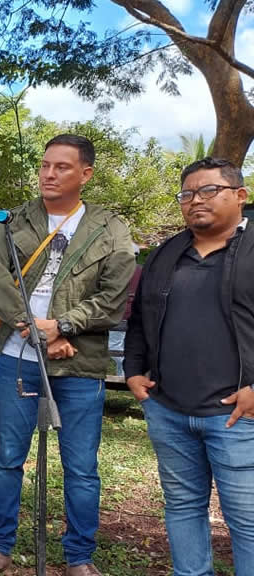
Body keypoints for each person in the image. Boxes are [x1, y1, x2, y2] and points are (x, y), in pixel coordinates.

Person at [0, 134, 136, 576]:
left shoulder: (110, 228)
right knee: (8, 458)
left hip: (80, 365)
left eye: (61, 167)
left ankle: (79, 557)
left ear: (85, 174)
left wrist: (63, 327)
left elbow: (113, 296)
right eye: (45, 165)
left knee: (81, 467)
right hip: (17, 358)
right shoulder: (13, 221)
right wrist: (37, 330)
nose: (48, 173)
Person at [124, 157, 253, 576]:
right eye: (187, 194)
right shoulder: (165, 254)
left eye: (209, 191)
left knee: (247, 521)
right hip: (170, 410)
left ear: (240, 196)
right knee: (182, 506)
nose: (196, 200)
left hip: (237, 416)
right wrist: (133, 370)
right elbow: (140, 319)